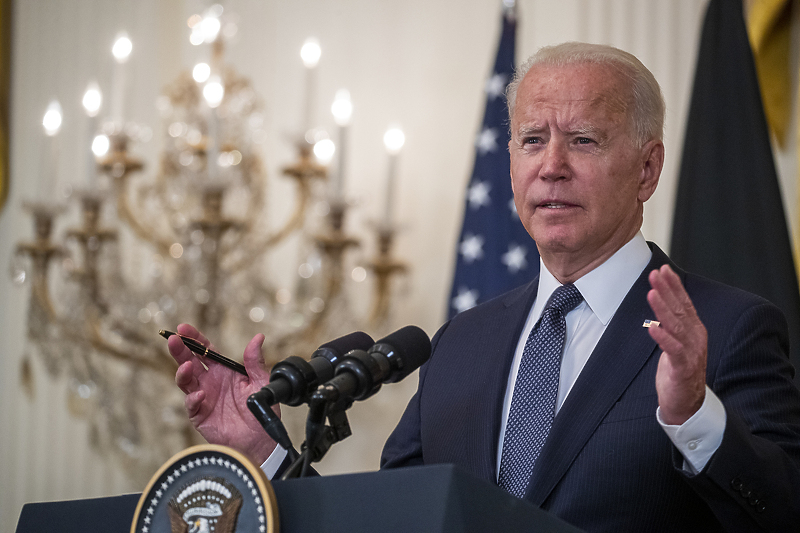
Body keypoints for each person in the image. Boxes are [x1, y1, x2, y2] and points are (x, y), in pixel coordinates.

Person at [170, 42, 800, 532]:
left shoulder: (728, 329)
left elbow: (782, 515)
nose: (551, 165)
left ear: (647, 168)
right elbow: (394, 518)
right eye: (532, 140)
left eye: (583, 140)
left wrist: (694, 416)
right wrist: (268, 457)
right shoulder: (458, 346)